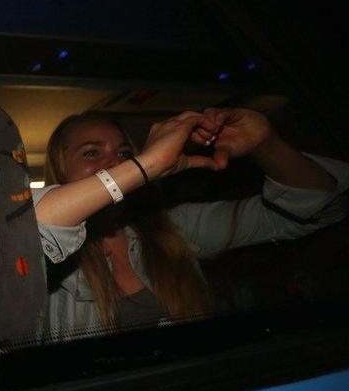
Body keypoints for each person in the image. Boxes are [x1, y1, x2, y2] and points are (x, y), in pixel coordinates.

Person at [33, 110, 349, 341]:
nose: (117, 163)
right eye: (91, 152)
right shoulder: (46, 254)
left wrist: (266, 145)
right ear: (59, 169)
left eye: (125, 154)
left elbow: (317, 208)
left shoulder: (172, 229)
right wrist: (149, 164)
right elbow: (29, 227)